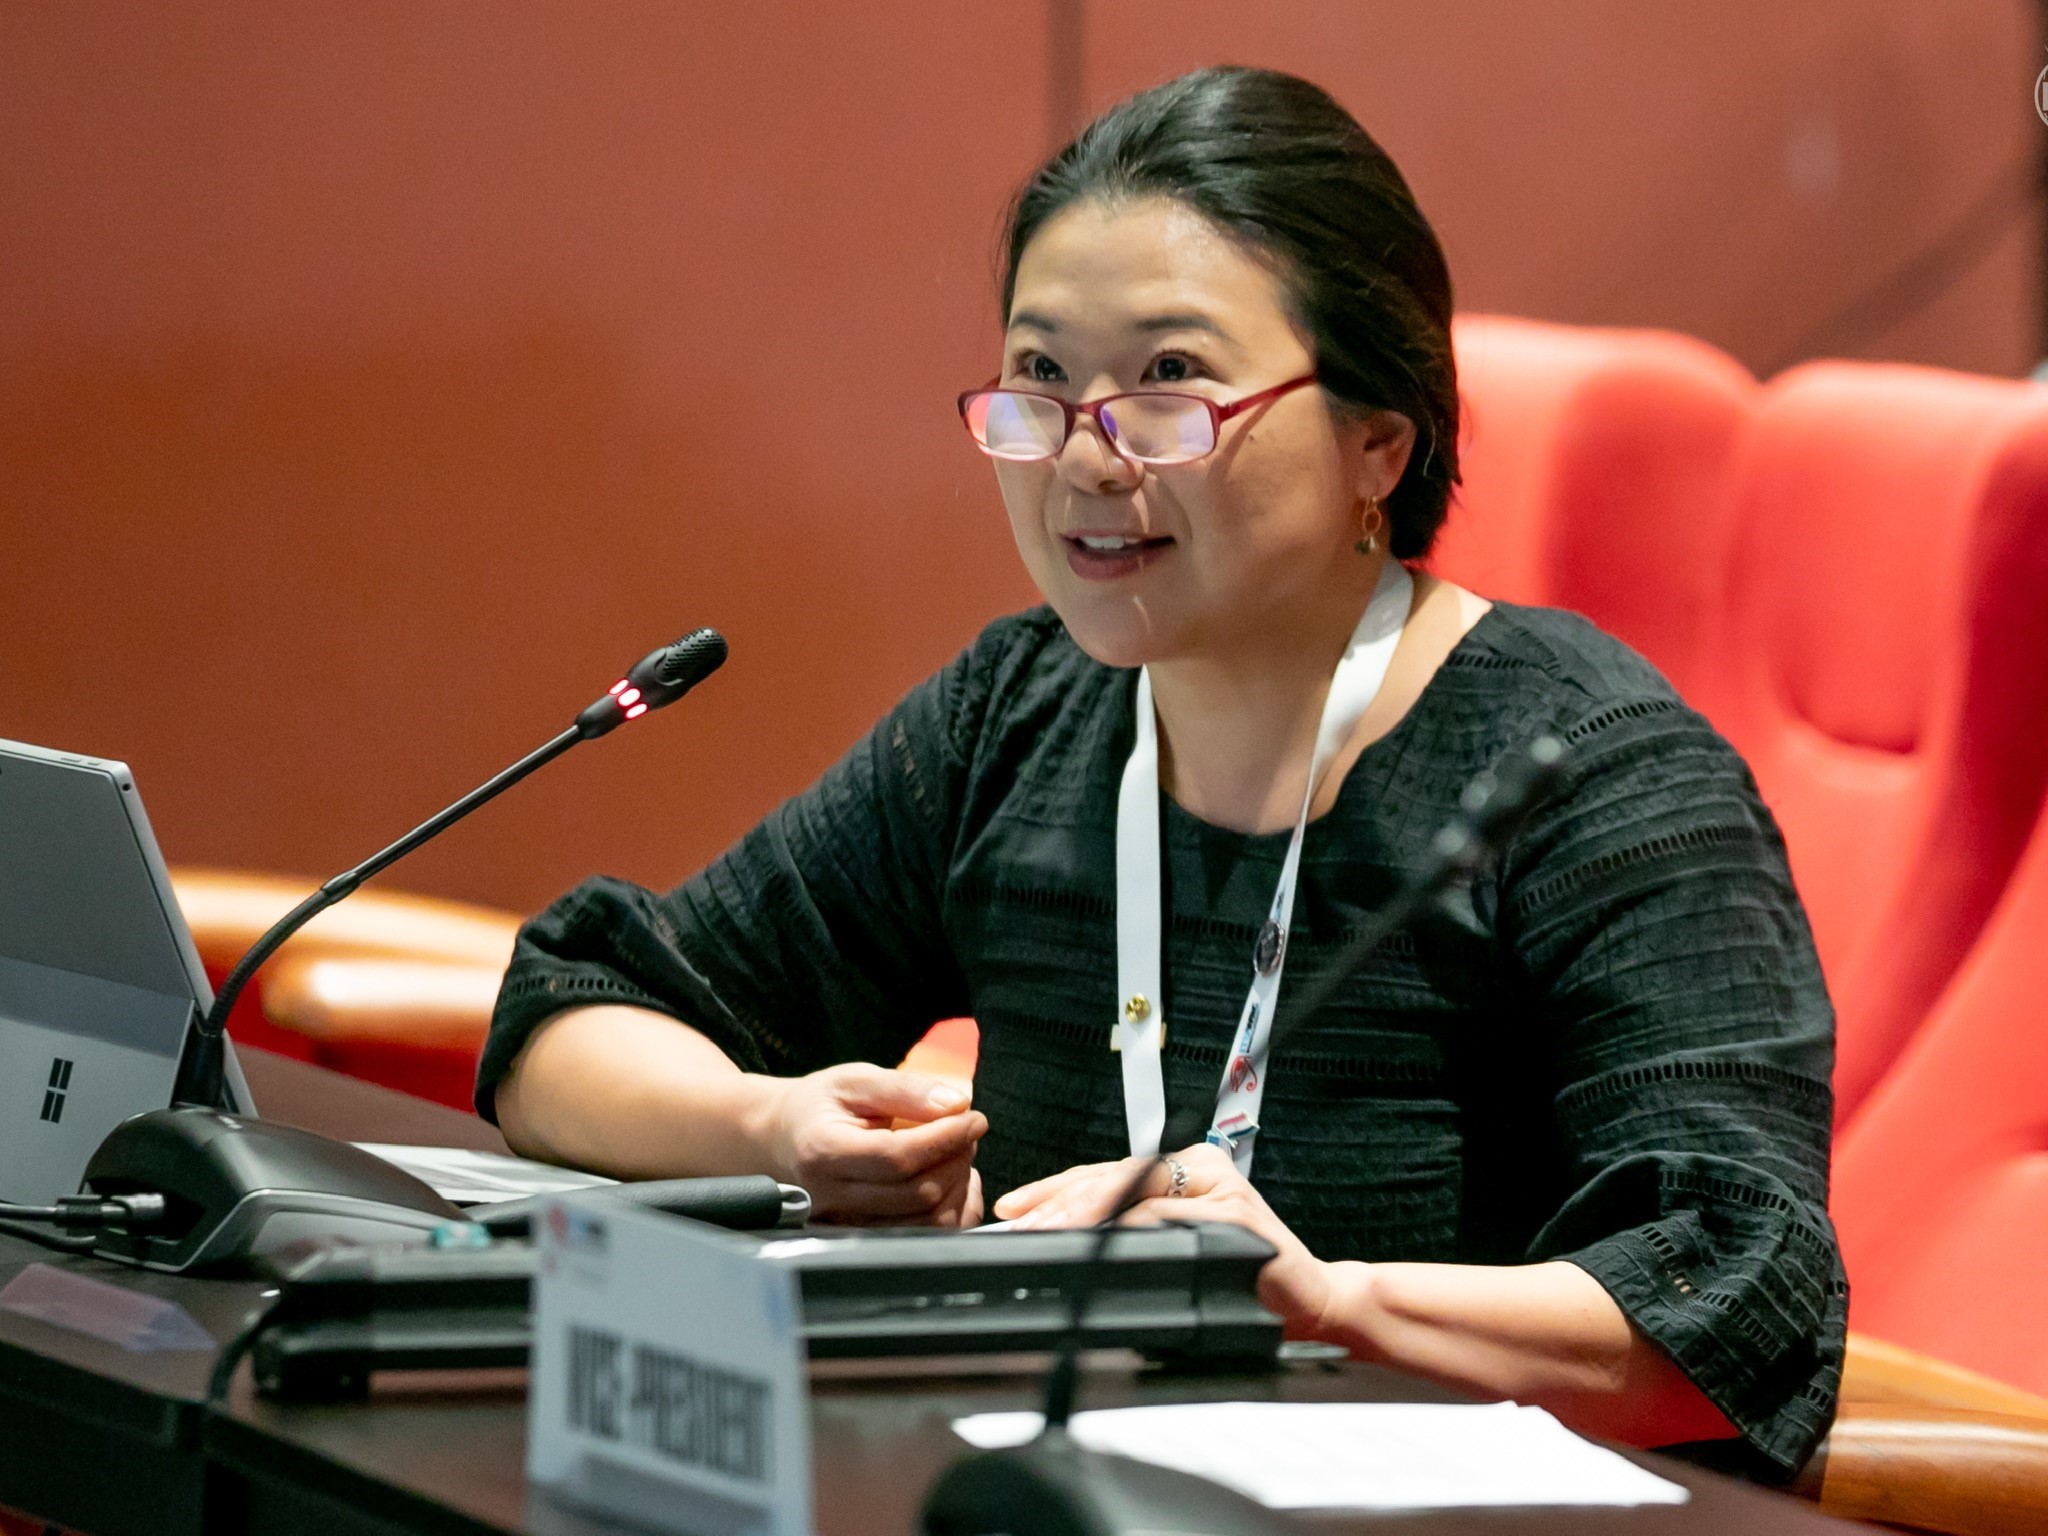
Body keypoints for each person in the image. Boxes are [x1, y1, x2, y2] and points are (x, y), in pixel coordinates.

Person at [479, 66, 1843, 1478]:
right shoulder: (1018, 719)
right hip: (1049, 1488)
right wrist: (773, 1124)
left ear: (1378, 436)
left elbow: (1736, 1297)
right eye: (1043, 380)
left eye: (1171, 384)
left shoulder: (1591, 780)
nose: (1085, 455)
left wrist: (1325, 1306)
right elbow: (570, 1018)